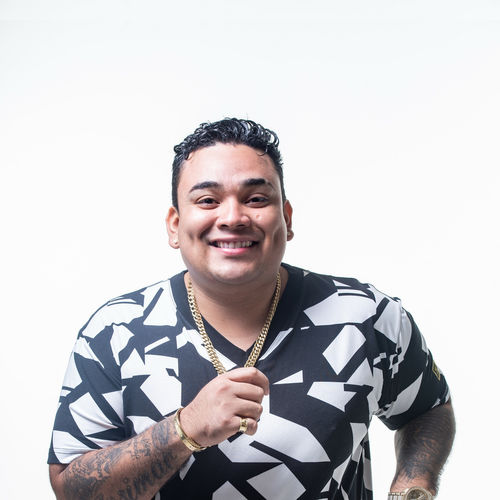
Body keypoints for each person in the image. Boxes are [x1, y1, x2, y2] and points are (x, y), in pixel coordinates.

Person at [48, 118, 455, 500]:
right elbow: (70, 487)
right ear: (175, 225)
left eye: (256, 198)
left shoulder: (364, 317)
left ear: (286, 218)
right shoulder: (116, 332)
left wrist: (411, 489)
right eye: (207, 200)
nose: (233, 217)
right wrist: (184, 429)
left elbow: (428, 409)